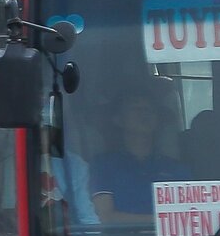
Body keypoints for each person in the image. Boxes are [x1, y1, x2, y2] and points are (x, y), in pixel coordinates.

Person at [76, 83, 188, 221]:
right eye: (136, 108)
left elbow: (187, 217)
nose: (145, 113)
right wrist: (160, 222)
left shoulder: (176, 169)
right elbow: (105, 217)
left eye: (150, 109)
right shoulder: (102, 165)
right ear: (118, 119)